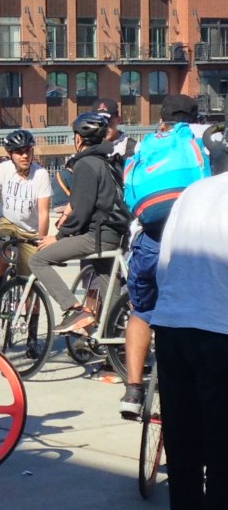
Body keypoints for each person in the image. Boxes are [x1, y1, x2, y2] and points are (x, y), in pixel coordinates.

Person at [119, 95, 209, 419]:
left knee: (141, 311)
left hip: (151, 240)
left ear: (161, 119)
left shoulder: (146, 145)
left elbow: (128, 194)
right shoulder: (198, 138)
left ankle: (132, 389)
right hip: (187, 243)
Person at [150, 171, 228, 509]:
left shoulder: (195, 191)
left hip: (172, 325)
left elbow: (163, 264)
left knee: (182, 449)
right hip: (219, 329)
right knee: (222, 451)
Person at [29, 113, 129, 334]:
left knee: (38, 260)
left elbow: (81, 210)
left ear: (78, 138)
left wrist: (59, 236)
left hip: (97, 237)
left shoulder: (86, 164)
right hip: (114, 235)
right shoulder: (107, 161)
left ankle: (75, 310)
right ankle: (116, 348)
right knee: (110, 294)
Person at [0, 130, 52, 313]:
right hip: (7, 222)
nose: (25, 155)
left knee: (30, 283)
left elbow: (43, 213)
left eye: (28, 150)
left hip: (30, 231)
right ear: (10, 154)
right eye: (19, 152)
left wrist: (41, 240)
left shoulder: (40, 175)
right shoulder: (2, 170)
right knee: (5, 252)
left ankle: (33, 330)